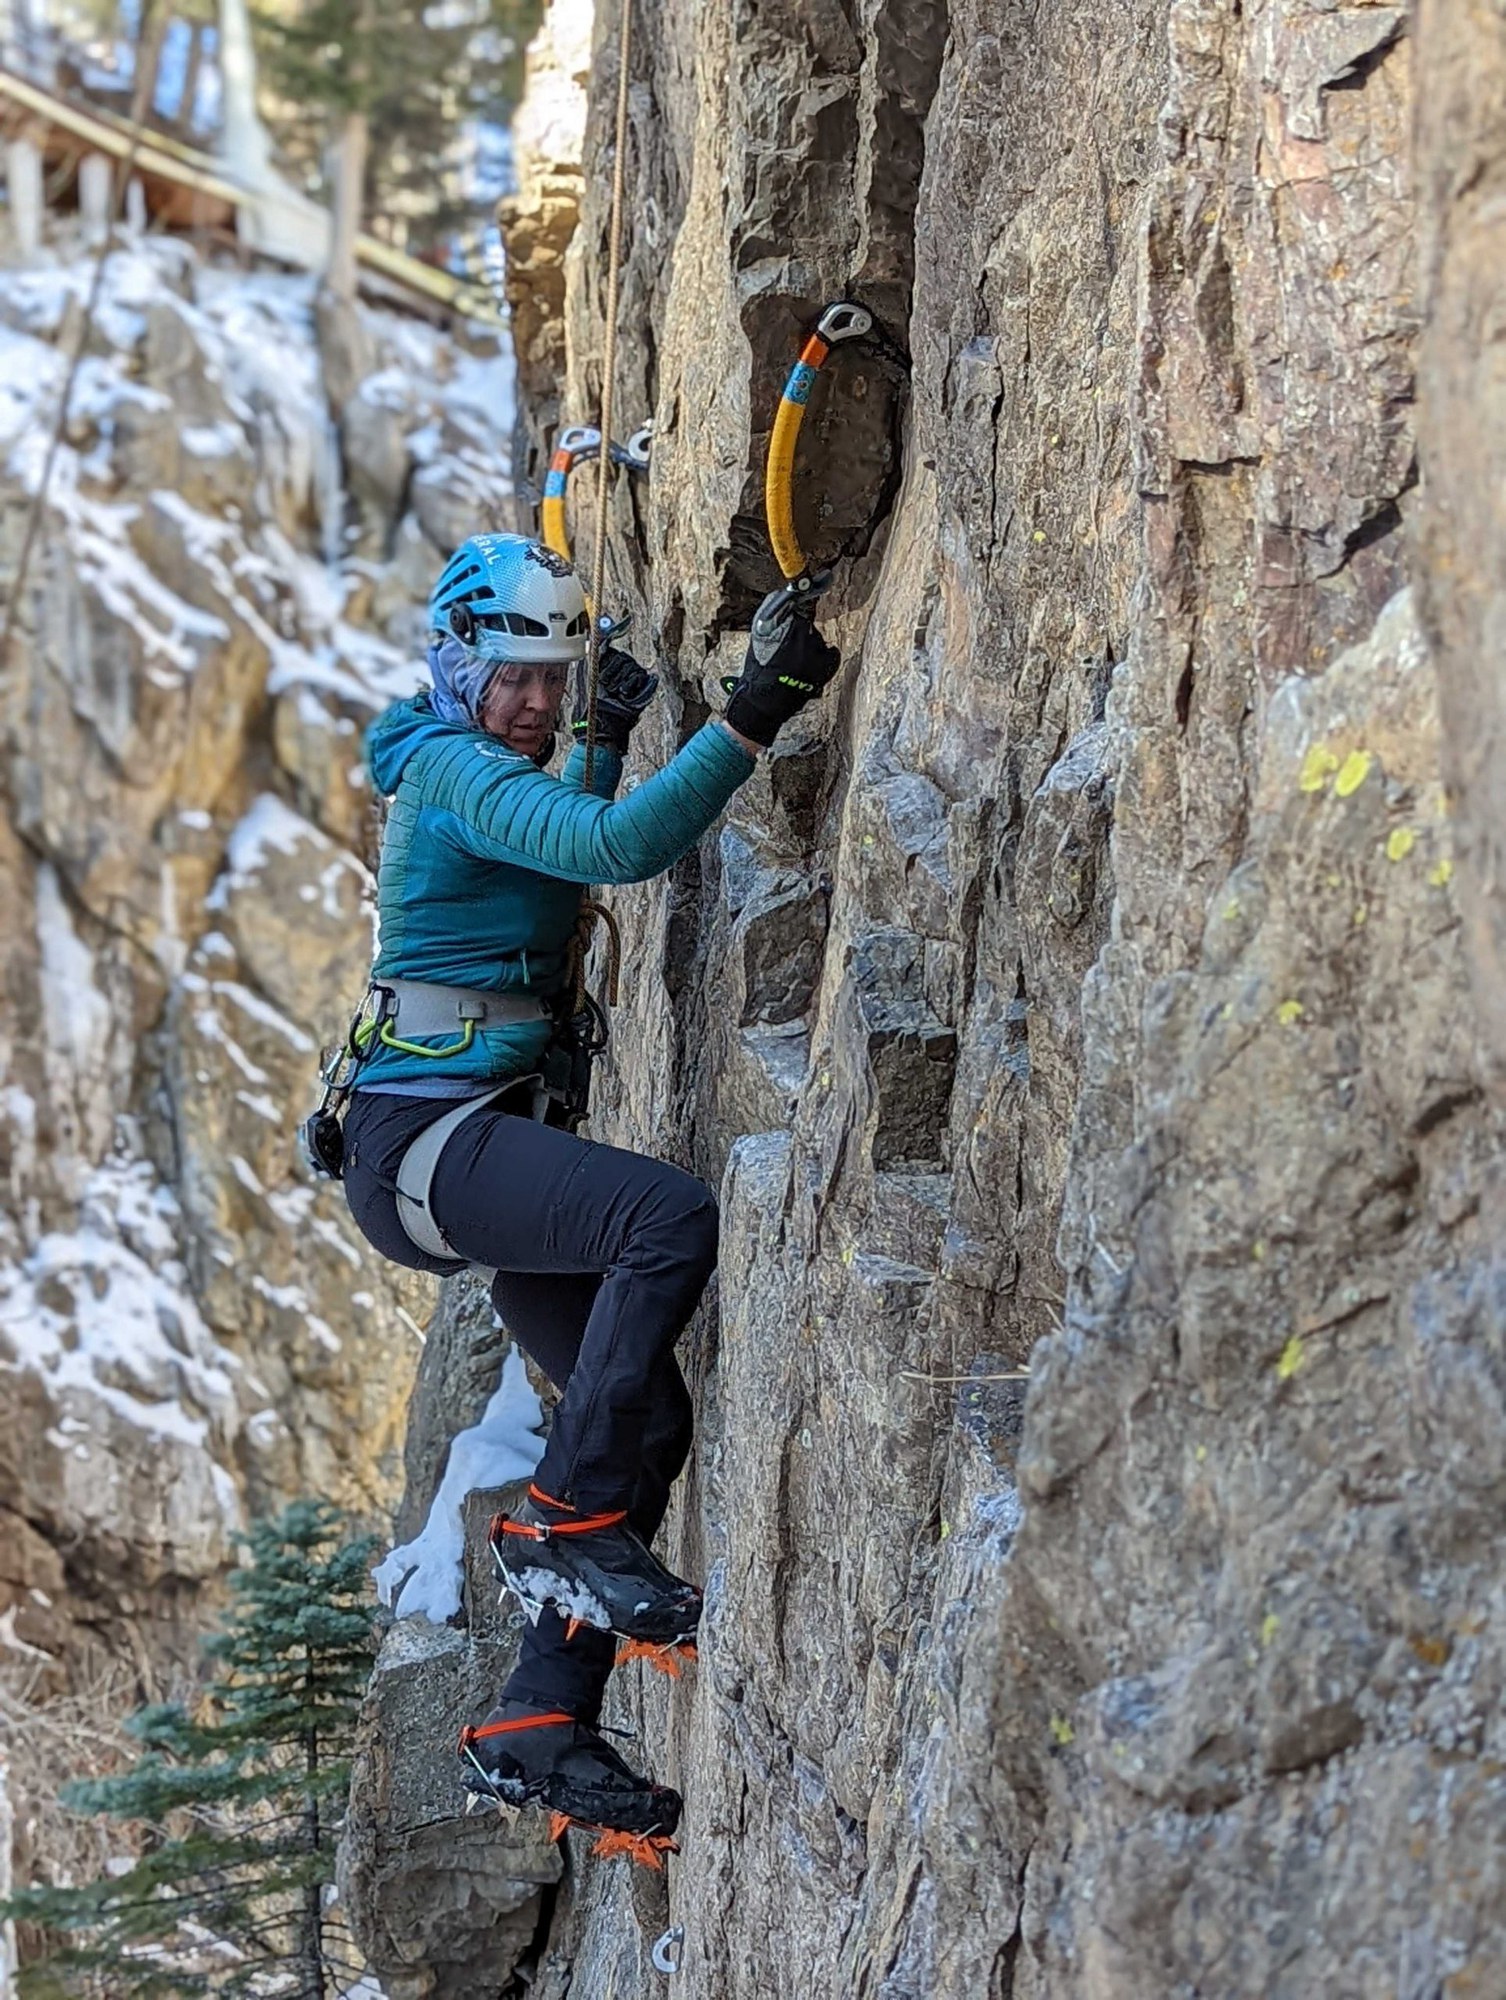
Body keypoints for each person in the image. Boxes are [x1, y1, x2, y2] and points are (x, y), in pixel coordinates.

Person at [339, 532, 840, 1858]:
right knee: (664, 1219)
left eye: (554, 680)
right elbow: (614, 850)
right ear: (455, 666)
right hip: (430, 1145)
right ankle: (560, 1523)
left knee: (645, 1419)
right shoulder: (447, 767)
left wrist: (607, 743)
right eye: (513, 677)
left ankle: (538, 1715)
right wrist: (752, 713)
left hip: (453, 1145)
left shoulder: (488, 766)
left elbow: (556, 856)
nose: (537, 704)